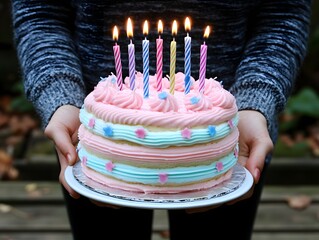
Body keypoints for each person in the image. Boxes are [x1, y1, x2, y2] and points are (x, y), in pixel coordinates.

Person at [11, 0, 312, 239]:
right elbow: (40, 11)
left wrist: (254, 103)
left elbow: (283, 13)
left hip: (234, 142)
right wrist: (62, 98)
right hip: (96, 137)